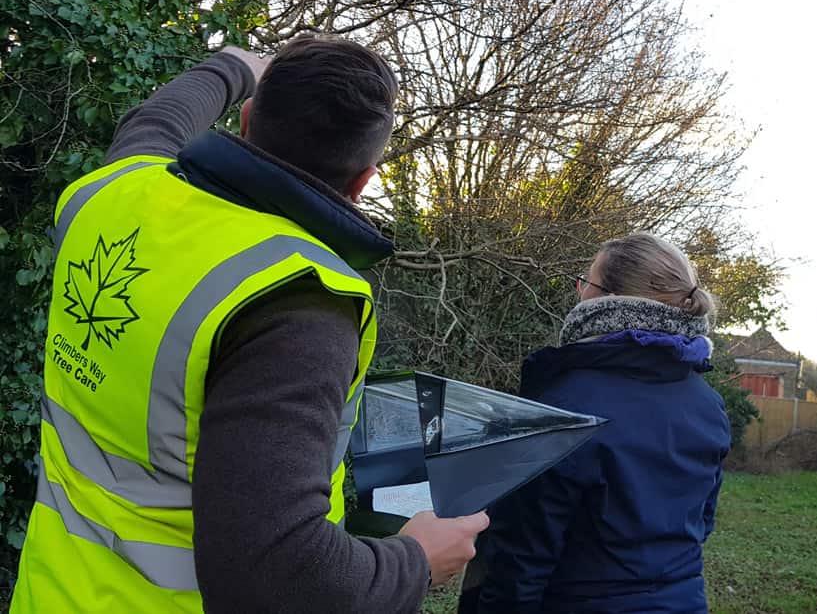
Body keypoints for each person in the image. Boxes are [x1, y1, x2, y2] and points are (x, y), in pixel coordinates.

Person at [10, 36, 487, 613]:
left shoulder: (112, 193)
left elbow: (158, 118)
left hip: (51, 591)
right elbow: (273, 576)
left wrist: (234, 65)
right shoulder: (296, 301)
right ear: (363, 183)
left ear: (244, 119)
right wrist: (416, 562)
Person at [474, 233, 732, 613]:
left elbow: (518, 561)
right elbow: (701, 523)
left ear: (609, 300)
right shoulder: (709, 405)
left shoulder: (566, 406)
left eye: (586, 283)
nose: (579, 292)